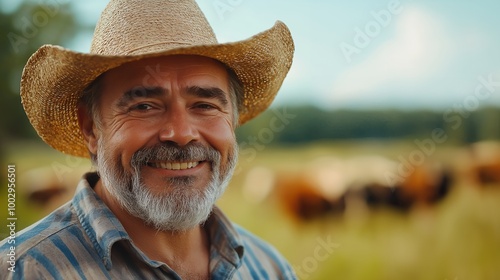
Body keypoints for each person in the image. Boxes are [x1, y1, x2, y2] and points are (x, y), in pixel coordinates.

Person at [0, 0, 295, 279]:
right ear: (91, 127)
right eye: (144, 106)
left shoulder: (269, 267)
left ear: (231, 120)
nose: (180, 134)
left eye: (205, 105)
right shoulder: (23, 269)